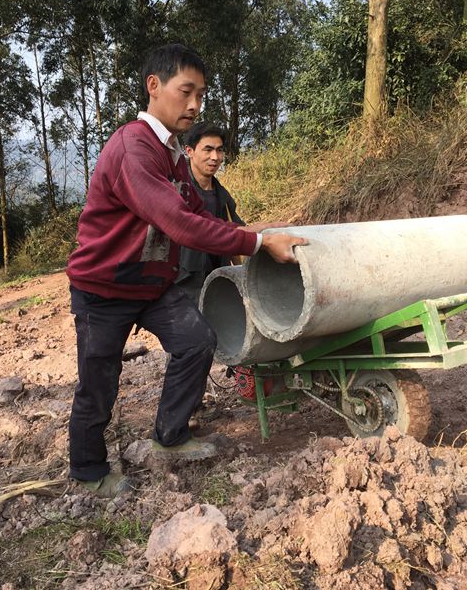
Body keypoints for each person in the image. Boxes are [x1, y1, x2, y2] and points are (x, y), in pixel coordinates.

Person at [65, 43, 307, 498]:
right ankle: (88, 469)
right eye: (186, 91)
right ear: (154, 86)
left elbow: (200, 213)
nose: (195, 104)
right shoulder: (134, 148)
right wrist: (257, 244)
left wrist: (253, 234)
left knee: (197, 341)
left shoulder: (174, 154)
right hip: (104, 288)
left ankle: (171, 436)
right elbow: (179, 223)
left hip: (151, 285)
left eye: (201, 95)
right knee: (98, 381)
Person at [175, 122, 243, 302]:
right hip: (182, 288)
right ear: (189, 151)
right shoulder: (175, 192)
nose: (215, 157)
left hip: (217, 286)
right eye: (208, 149)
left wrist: (242, 277)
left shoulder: (223, 197)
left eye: (219, 150)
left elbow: (235, 236)